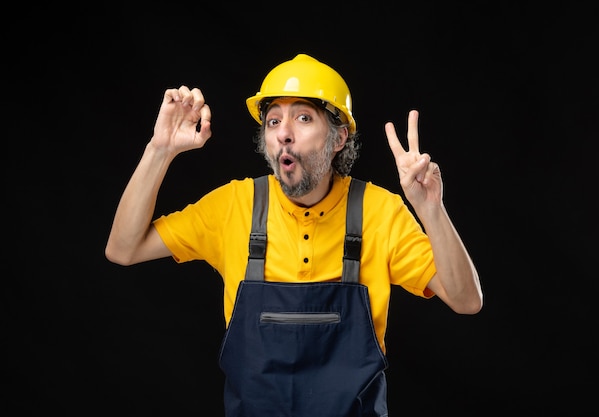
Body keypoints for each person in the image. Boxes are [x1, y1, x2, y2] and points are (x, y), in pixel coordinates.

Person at [105, 53, 483, 417]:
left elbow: (467, 300)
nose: (284, 133)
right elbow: (123, 249)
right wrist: (160, 150)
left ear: (338, 139)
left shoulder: (380, 213)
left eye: (303, 118)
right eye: (272, 121)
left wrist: (431, 209)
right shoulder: (233, 206)